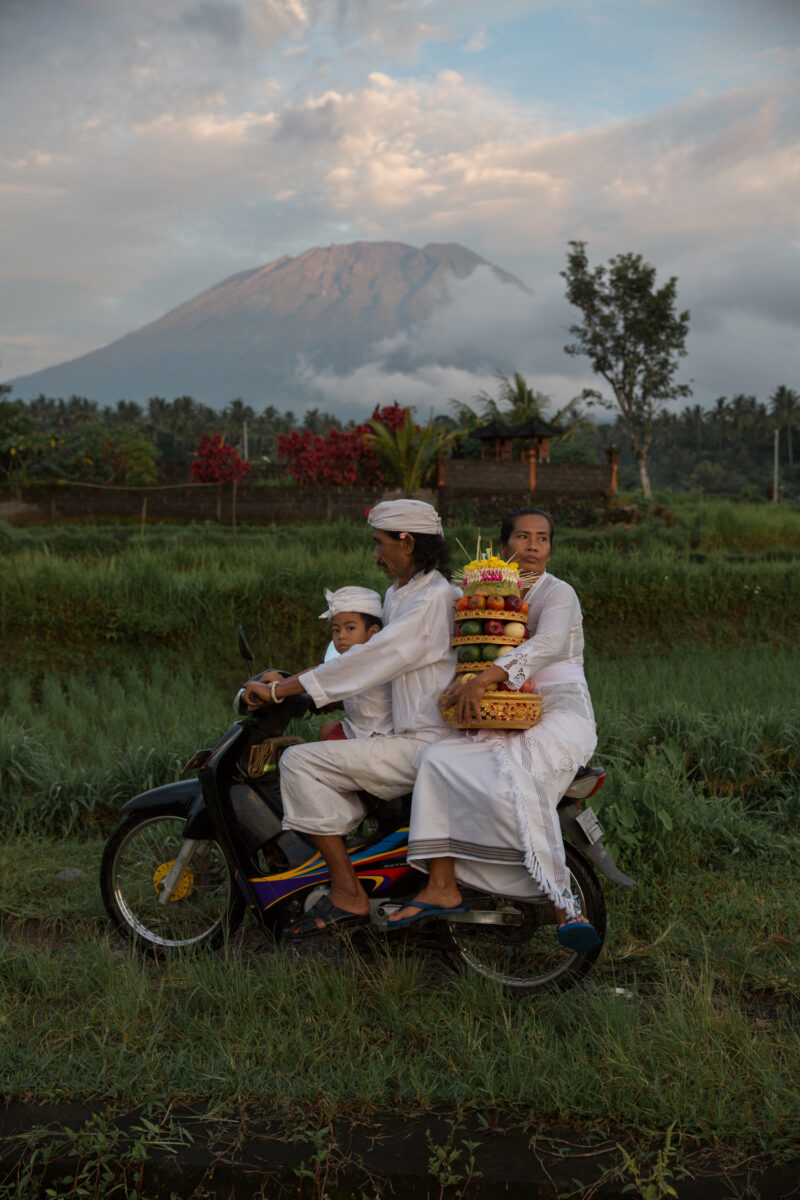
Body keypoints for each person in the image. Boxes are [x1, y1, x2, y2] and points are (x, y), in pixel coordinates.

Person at [242, 498, 458, 938]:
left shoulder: (435, 598)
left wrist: (281, 690)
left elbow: (370, 657)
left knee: (299, 762)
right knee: (325, 742)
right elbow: (368, 664)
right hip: (404, 734)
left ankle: (347, 892)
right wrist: (299, 682)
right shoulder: (401, 595)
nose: (375, 555)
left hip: (425, 742)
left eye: (379, 544)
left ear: (407, 542)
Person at [389, 507, 601, 954]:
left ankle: (564, 901)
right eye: (522, 538)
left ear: (550, 547)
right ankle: (443, 883)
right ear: (504, 546)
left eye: (542, 538)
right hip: (504, 714)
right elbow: (464, 650)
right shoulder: (485, 592)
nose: (532, 547)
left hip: (559, 713)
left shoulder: (558, 593)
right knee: (435, 759)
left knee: (523, 776)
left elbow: (546, 644)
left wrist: (484, 679)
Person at [315, 586, 392, 742]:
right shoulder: (350, 658)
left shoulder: (370, 659)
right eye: (336, 630)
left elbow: (326, 674)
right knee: (326, 729)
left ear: (373, 633)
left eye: (350, 628)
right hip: (356, 729)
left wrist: (280, 687)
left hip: (376, 735)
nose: (341, 636)